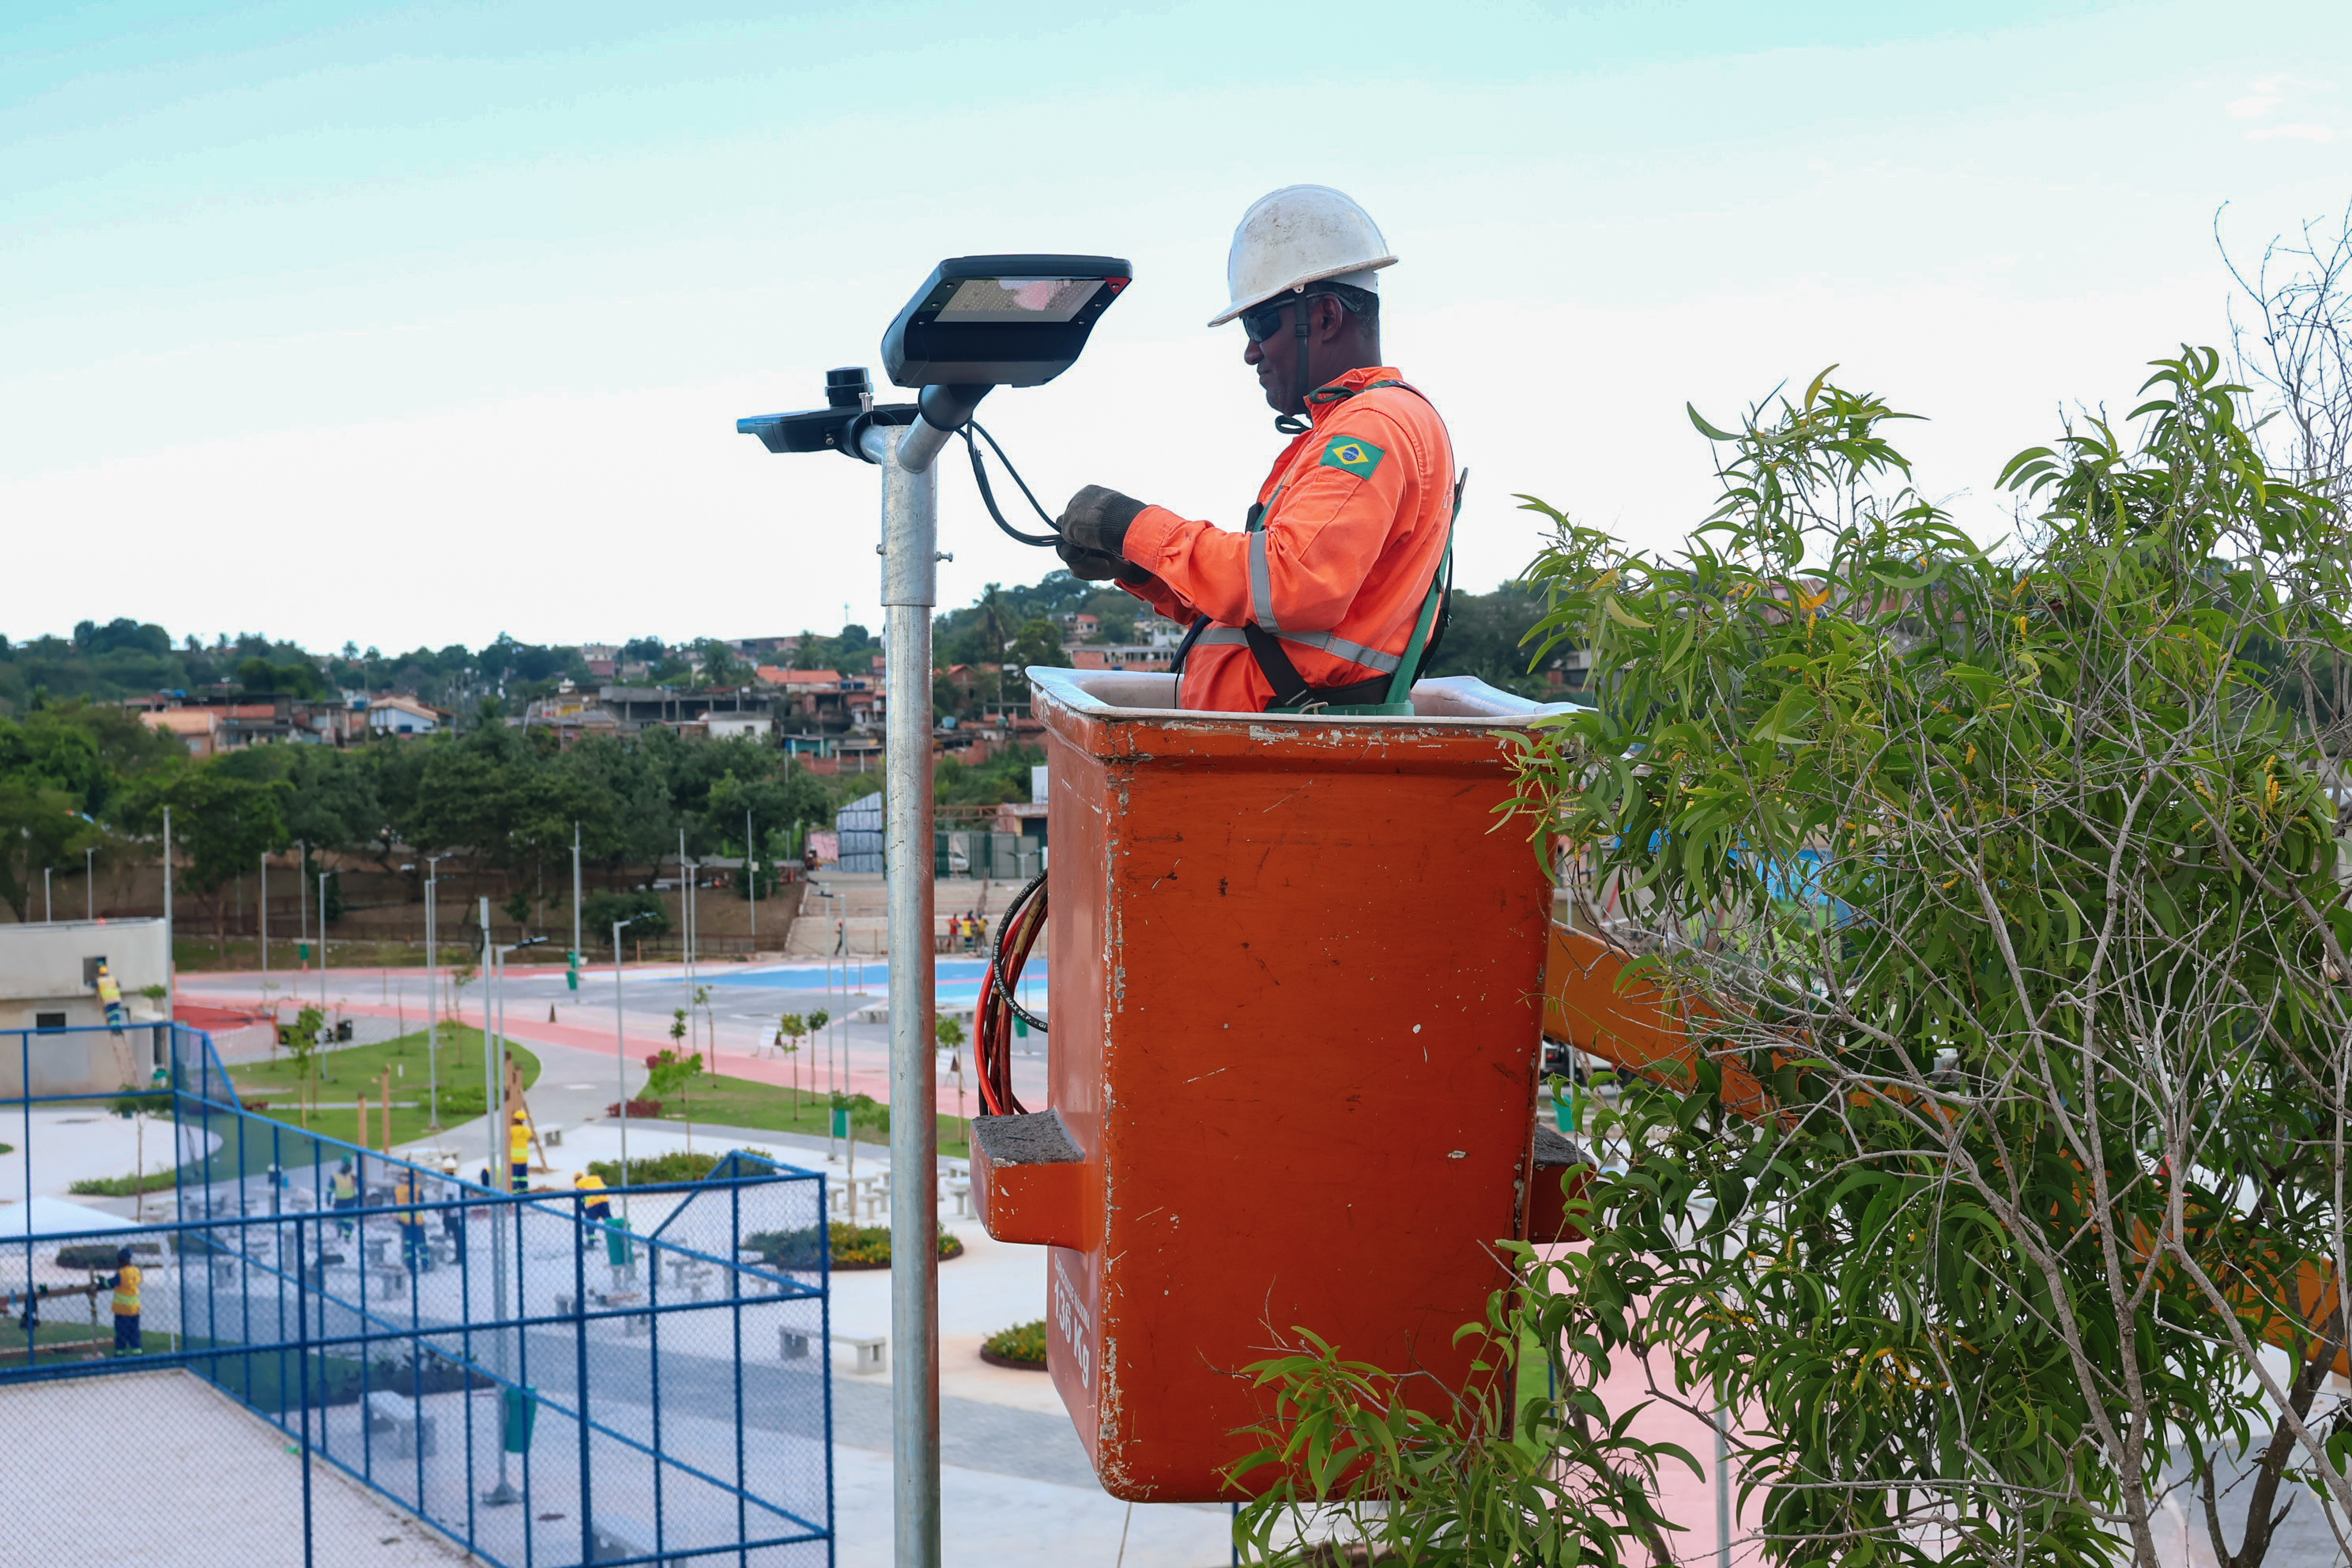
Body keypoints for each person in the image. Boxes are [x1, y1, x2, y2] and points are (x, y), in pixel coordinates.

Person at [1054, 185, 1457, 716]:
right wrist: (1137, 569)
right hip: (1287, 748)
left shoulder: (1370, 429)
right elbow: (1256, 606)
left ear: (1327, 317)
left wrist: (1136, 528)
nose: (1250, 352)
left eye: (1259, 324)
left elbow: (1291, 584)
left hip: (1302, 755)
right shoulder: (1349, 426)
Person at [102, 1246, 141, 1356]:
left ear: (120, 1261)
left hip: (122, 1310)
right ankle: (137, 1351)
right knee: (134, 1332)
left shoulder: (121, 1273)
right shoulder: (136, 1271)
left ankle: (120, 1352)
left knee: (121, 1332)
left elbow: (110, 1284)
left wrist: (102, 1281)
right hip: (135, 1309)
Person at [391, 1167, 431, 1274]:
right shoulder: (417, 1188)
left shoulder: (397, 1190)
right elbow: (423, 1203)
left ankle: (412, 1267)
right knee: (420, 1244)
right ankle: (424, 1265)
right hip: (416, 1221)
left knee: (409, 1245)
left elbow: (394, 1205)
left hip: (405, 1222)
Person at [573, 1170, 613, 1253]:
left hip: (593, 1204)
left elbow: (580, 1198)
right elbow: (605, 1185)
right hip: (604, 1200)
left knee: (590, 1223)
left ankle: (591, 1242)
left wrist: (583, 1209)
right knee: (609, 1220)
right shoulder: (596, 1177)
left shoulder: (579, 1184)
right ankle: (615, 1239)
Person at [330, 1156, 360, 1239]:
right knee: (339, 1219)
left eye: (349, 1166)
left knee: (349, 1220)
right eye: (346, 1166)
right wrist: (328, 1198)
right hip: (339, 1201)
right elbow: (330, 1188)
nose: (348, 1168)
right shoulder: (335, 1176)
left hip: (350, 1201)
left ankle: (347, 1236)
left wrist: (358, 1182)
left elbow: (361, 1184)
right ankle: (339, 1230)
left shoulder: (353, 1175)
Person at [508, 1107, 532, 1193]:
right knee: (523, 1176)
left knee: (514, 1177)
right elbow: (529, 1138)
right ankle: (525, 1193)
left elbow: (508, 1140)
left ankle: (515, 1193)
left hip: (515, 1158)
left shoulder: (512, 1130)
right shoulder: (527, 1130)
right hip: (524, 1158)